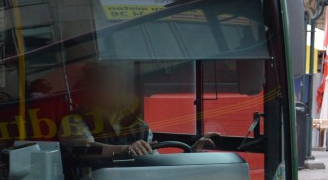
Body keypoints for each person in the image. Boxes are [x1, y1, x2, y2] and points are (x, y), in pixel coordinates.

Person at [57, 64, 215, 159]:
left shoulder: (140, 125)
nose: (119, 92)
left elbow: (154, 161)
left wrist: (190, 152)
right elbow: (86, 149)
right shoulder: (74, 121)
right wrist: (125, 149)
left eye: (122, 86)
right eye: (111, 86)